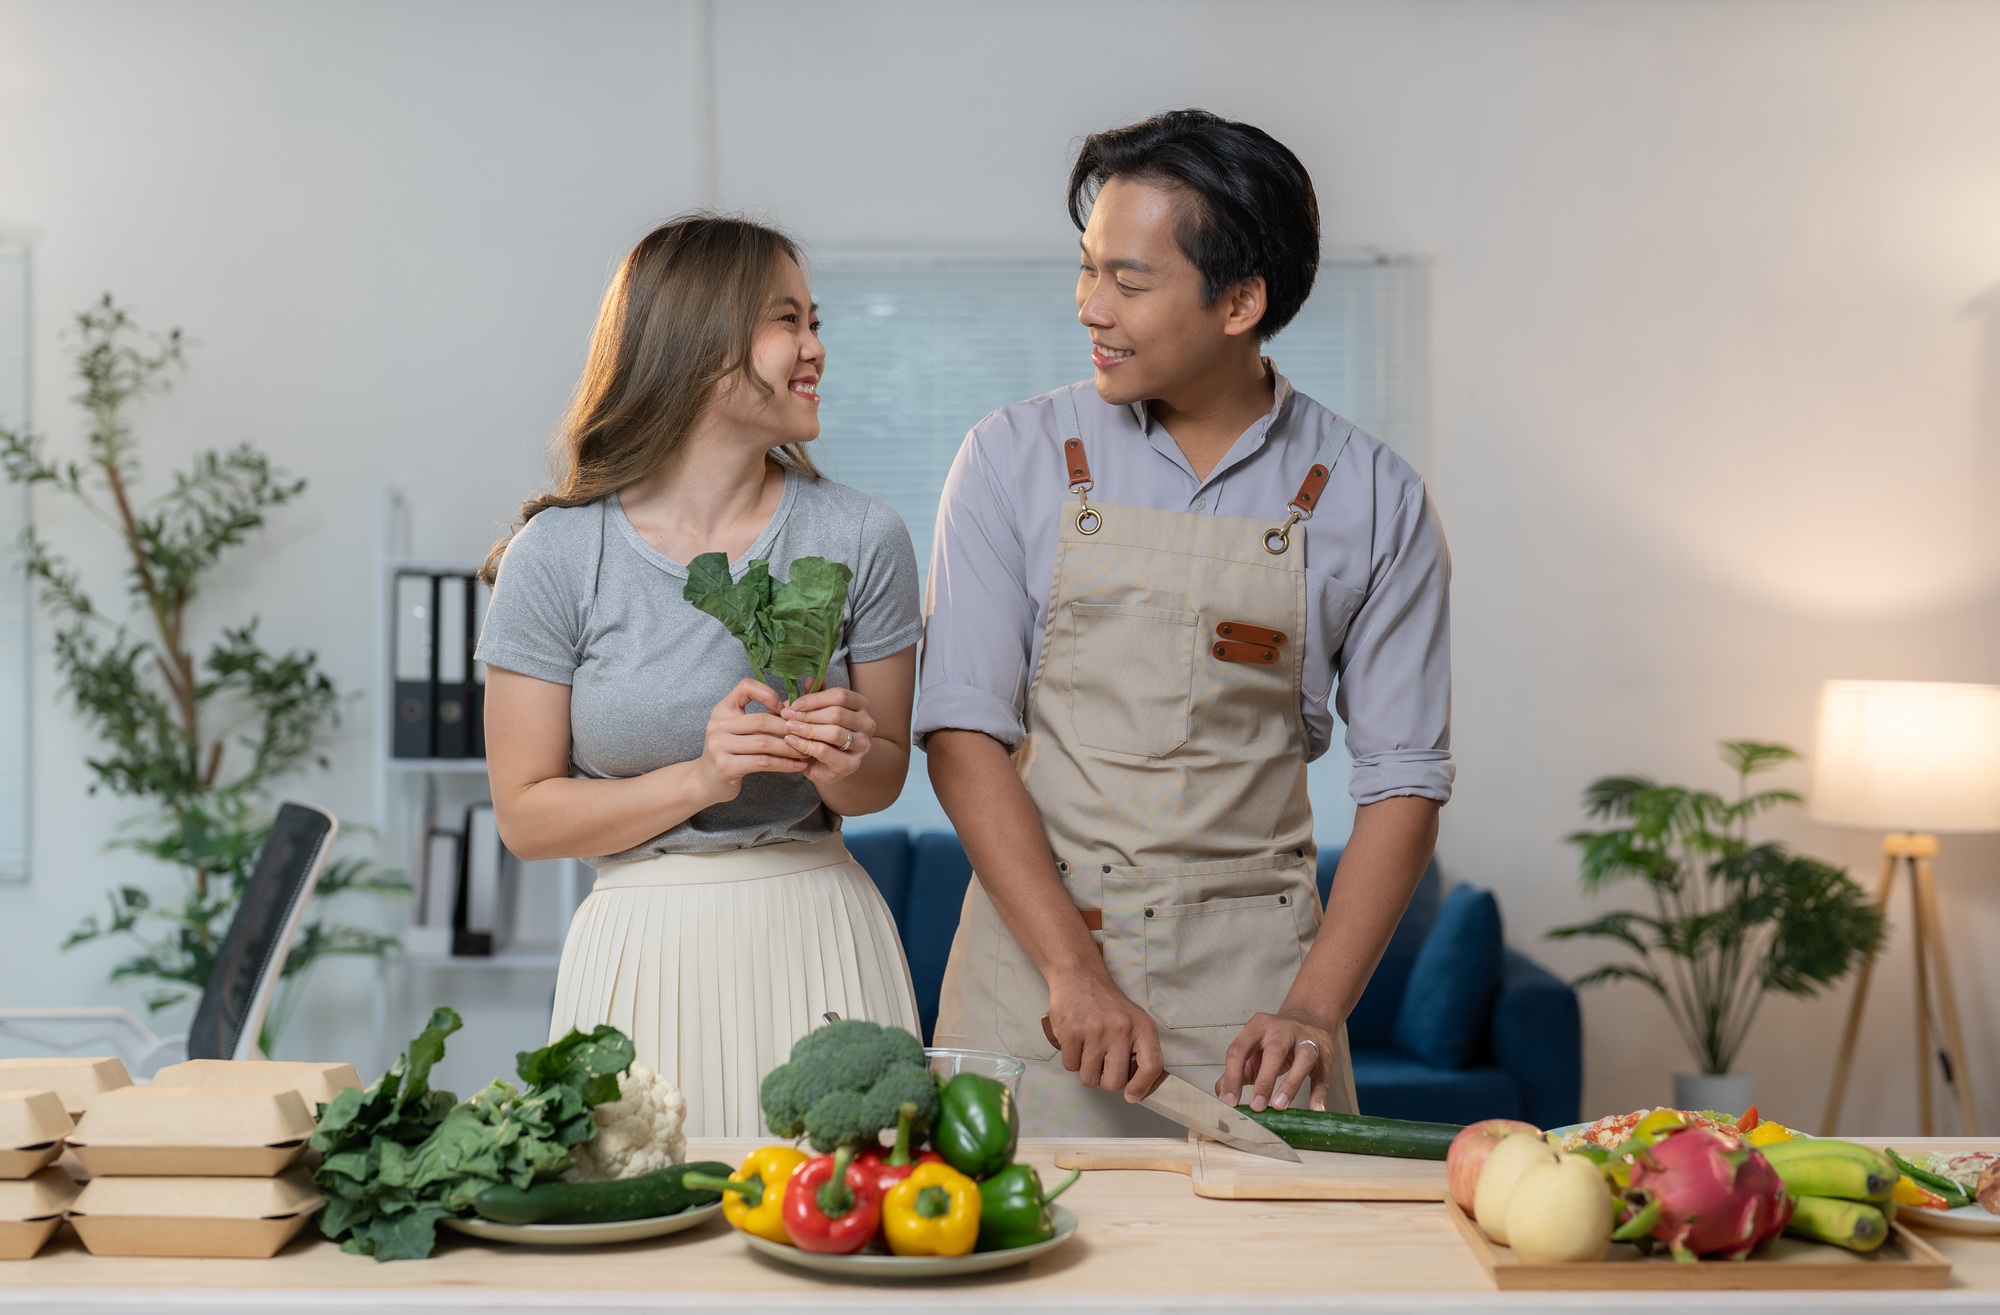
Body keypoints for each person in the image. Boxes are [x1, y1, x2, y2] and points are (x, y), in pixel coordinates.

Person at [921, 111, 1453, 1136]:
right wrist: (1073, 972)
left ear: (1239, 302)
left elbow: (1401, 783)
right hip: (1033, 977)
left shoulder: (1371, 497)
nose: (1089, 306)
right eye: (1085, 270)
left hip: (1252, 1001)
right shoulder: (1010, 456)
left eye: (1127, 280)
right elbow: (959, 733)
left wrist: (1310, 1007)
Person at [477, 215, 922, 1136]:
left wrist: (841, 754)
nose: (815, 349)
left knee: (837, 1240)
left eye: (814, 320)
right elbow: (525, 815)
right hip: (641, 946)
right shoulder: (558, 553)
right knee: (645, 1254)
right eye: (786, 321)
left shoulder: (861, 536)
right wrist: (703, 777)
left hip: (821, 940)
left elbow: (884, 781)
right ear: (700, 345)